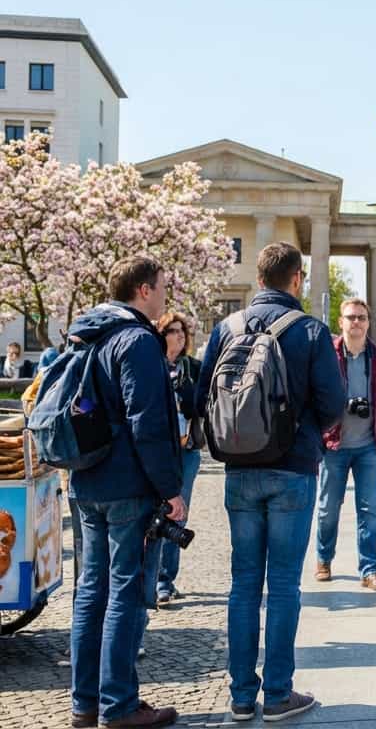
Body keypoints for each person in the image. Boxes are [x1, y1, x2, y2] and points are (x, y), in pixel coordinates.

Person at [195, 242, 346, 722]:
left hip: (239, 470)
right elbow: (333, 402)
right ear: (296, 279)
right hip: (292, 468)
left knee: (243, 584)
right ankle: (278, 693)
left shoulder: (226, 328)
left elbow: (201, 398)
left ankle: (241, 696)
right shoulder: (310, 331)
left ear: (259, 279)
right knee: (282, 585)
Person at [68, 256, 184, 729]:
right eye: (160, 287)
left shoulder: (86, 333)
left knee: (90, 591)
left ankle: (85, 704)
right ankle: (118, 706)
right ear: (142, 290)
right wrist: (171, 490)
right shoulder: (136, 340)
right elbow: (148, 423)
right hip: (126, 487)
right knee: (126, 592)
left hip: (86, 480)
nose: (163, 295)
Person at [315, 298, 376, 592]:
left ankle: (370, 569)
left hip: (370, 446)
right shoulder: (327, 354)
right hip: (334, 445)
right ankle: (323, 558)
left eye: (362, 318)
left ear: (368, 322)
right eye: (351, 317)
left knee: (369, 511)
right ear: (340, 321)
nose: (356, 322)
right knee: (329, 508)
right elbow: (313, 394)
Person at [154, 312, 202, 605]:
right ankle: (151, 576)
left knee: (177, 515)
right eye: (172, 331)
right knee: (153, 515)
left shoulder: (193, 367)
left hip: (186, 451)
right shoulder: (151, 366)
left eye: (182, 331)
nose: (179, 335)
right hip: (157, 451)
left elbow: (204, 405)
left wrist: (189, 395)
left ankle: (165, 580)